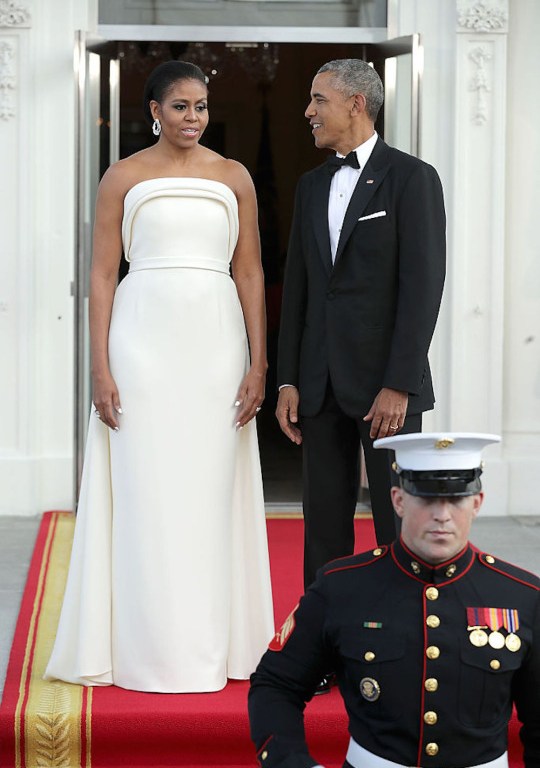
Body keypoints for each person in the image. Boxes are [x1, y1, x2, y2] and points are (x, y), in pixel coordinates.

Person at [44, 60, 274, 692]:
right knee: (146, 490)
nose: (193, 118)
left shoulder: (234, 177)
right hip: (141, 344)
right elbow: (100, 275)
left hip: (215, 347)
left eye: (200, 106)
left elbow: (250, 272)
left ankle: (216, 647)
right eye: (180, 106)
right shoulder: (123, 175)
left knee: (207, 490)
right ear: (154, 110)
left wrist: (258, 361)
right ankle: (141, 649)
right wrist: (100, 364)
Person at [248, 432, 540, 768]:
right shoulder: (342, 588)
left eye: (456, 500)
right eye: (426, 500)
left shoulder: (521, 597)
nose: (442, 515)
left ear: (477, 503)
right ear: (398, 500)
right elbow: (276, 685)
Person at [275, 59, 446, 591]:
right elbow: (300, 291)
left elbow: (423, 289)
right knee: (323, 527)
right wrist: (288, 380)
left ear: (356, 103)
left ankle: (404, 641)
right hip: (320, 386)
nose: (308, 112)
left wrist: (399, 384)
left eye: (318, 99)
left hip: (386, 391)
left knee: (400, 525)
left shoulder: (413, 178)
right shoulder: (309, 186)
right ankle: (321, 645)